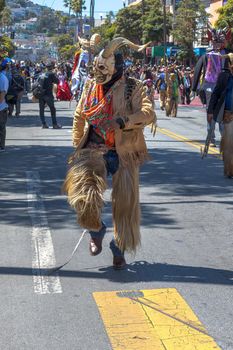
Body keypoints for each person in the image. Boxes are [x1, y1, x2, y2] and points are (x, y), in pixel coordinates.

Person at [63, 37, 156, 269]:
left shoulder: (135, 87)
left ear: (117, 66)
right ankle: (96, 230)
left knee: (126, 207)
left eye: (104, 67)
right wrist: (78, 147)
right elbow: (79, 115)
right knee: (83, 198)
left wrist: (125, 121)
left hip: (124, 154)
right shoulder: (90, 86)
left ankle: (119, 249)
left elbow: (148, 113)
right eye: (97, 66)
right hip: (93, 152)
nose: (99, 71)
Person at [207, 53, 233, 178]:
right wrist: (210, 111)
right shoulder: (224, 76)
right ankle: (230, 169)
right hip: (228, 115)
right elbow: (216, 93)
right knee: (228, 144)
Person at [38, 63, 61, 129]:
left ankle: (43, 124)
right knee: (52, 109)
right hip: (48, 94)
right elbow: (57, 82)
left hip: (41, 94)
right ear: (51, 67)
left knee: (41, 109)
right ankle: (54, 124)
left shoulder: (42, 74)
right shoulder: (51, 74)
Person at [0, 58, 10, 152]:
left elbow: (3, 93)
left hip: (1, 107)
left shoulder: (2, 78)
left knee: (1, 127)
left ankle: (1, 146)